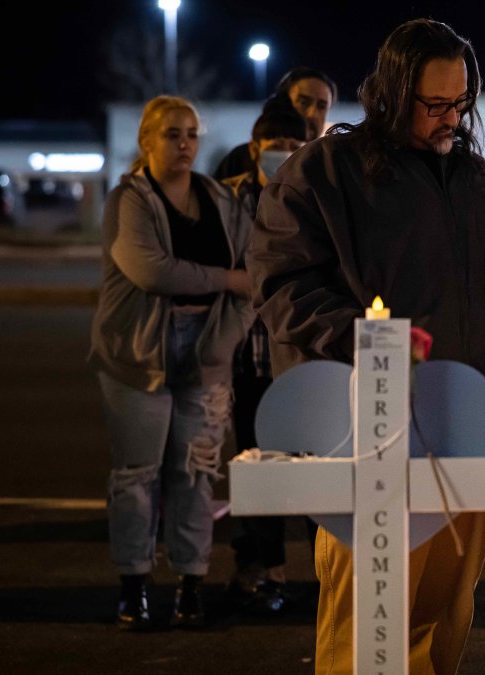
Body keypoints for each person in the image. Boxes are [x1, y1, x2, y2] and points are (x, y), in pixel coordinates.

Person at [248, 18, 485, 675]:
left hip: (470, 440)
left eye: (461, 103)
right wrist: (367, 339)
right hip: (368, 442)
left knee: (442, 619)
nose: (451, 119)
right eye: (434, 104)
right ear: (390, 93)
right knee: (367, 634)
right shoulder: (326, 172)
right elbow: (282, 286)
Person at [89, 95, 255, 631]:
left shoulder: (220, 200)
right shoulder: (128, 200)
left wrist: (227, 339)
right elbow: (152, 271)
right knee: (137, 475)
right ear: (146, 141)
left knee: (195, 473)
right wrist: (225, 279)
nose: (184, 144)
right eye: (171, 134)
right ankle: (134, 586)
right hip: (139, 354)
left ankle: (190, 584)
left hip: (206, 350)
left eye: (191, 134)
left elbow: (253, 274)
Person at [220, 93, 309, 611]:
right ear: (255, 146)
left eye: (294, 143)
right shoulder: (230, 199)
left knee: (316, 468)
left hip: (301, 360)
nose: (285, 151)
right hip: (249, 357)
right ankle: (269, 572)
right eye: (276, 142)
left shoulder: (313, 194)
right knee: (261, 466)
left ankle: (328, 574)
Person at [213, 66, 337, 181]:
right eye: (304, 103)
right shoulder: (241, 160)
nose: (312, 114)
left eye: (321, 106)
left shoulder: (330, 167)